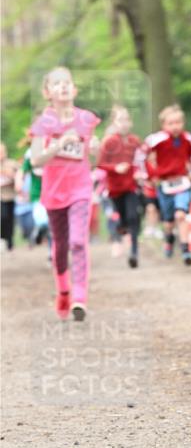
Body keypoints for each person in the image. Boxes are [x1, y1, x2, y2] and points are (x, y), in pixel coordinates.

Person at [28, 67, 100, 320]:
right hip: (54, 191)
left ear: (74, 89)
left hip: (80, 188)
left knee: (78, 242)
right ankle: (63, 290)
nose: (63, 86)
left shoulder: (87, 119)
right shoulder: (43, 123)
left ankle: (79, 298)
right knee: (60, 246)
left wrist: (96, 149)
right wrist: (58, 144)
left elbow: (94, 160)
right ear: (47, 92)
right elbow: (36, 160)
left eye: (67, 82)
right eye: (57, 84)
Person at [144, 105, 191, 265]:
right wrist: (151, 175)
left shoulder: (187, 139)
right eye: (171, 123)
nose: (175, 126)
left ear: (183, 123)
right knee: (168, 222)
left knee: (181, 215)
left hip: (182, 182)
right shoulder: (156, 139)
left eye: (178, 122)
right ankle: (169, 238)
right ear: (163, 125)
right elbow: (142, 156)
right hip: (165, 184)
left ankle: (185, 251)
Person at [97, 105, 143, 268]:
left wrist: (139, 172)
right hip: (114, 189)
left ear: (131, 122)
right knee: (121, 220)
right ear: (114, 123)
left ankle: (134, 252)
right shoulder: (109, 142)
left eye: (127, 120)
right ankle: (120, 233)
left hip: (131, 186)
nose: (124, 123)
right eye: (120, 120)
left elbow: (140, 160)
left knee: (133, 217)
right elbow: (100, 163)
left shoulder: (135, 141)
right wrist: (115, 168)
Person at [0, 142, 18, 250]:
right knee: (2, 217)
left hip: (10, 195)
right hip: (1, 196)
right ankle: (2, 238)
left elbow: (19, 175)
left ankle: (10, 241)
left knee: (9, 219)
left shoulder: (12, 163)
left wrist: (10, 174)